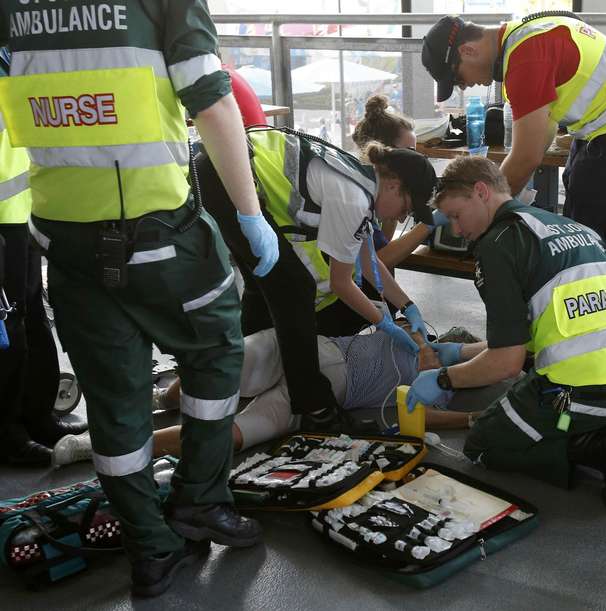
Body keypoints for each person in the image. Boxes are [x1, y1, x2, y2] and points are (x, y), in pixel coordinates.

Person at [0, 1, 278, 597]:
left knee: (114, 400)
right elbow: (211, 99)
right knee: (215, 349)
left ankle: (151, 551)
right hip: (158, 236)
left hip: (62, 241)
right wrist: (252, 215)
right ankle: (200, 501)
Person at [406, 156, 606, 509]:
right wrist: (461, 353)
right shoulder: (570, 227)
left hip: (578, 392)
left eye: (456, 216)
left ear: (480, 192)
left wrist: (444, 379)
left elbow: (507, 363)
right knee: (555, 403)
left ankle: (600, 449)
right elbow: (543, 328)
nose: (457, 231)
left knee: (485, 443)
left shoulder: (499, 244)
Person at [197, 131, 437, 433]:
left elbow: (370, 261)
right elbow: (341, 283)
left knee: (266, 284)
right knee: (294, 288)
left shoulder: (361, 185)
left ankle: (245, 376)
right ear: (393, 185)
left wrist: (408, 306)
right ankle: (315, 407)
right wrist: (385, 323)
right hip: (227, 173)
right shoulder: (353, 198)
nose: (402, 218)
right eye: (406, 208)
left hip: (224, 166)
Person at [421, 12, 606, 272]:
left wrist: (483, 212)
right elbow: (541, 137)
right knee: (576, 231)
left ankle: (602, 303)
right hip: (604, 128)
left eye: (457, 78)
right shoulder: (523, 39)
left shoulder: (526, 57)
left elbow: (527, 157)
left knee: (594, 247)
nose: (463, 86)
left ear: (468, 50)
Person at [53, 325, 486, 467]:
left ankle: (98, 447)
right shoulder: (422, 342)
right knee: (215, 374)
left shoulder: (437, 397)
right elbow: (480, 348)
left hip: (324, 395)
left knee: (233, 436)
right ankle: (159, 400)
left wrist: (470, 419)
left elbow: (416, 418)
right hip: (306, 350)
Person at [0, 48, 87, 467]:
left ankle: (38, 415)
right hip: (3, 218)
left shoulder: (15, 54)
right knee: (9, 326)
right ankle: (8, 433)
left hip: (25, 210)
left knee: (33, 313)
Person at [351, 94, 449, 269]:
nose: (415, 159)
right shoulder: (356, 197)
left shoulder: (380, 193)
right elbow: (377, 262)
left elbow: (383, 243)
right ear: (381, 151)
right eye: (409, 151)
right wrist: (428, 224)